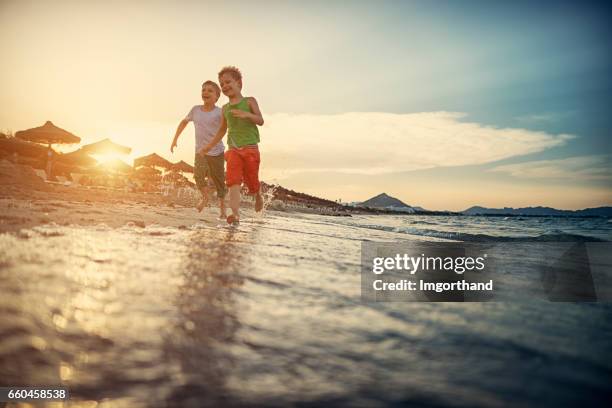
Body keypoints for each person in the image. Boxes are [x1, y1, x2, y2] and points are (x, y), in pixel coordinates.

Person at [201, 66, 264, 225]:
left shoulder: (249, 101)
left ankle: (258, 195)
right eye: (222, 84)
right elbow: (222, 130)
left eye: (228, 82)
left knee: (252, 182)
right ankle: (235, 214)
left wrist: (246, 114)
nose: (224, 86)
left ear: (239, 83)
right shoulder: (225, 108)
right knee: (233, 181)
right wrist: (209, 146)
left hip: (250, 149)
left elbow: (260, 120)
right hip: (233, 149)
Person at [170, 80, 226, 218]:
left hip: (217, 152)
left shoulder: (220, 112)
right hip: (200, 152)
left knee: (219, 181)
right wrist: (175, 139)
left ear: (217, 96)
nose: (205, 92)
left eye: (210, 91)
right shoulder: (195, 110)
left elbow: (225, 129)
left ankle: (223, 210)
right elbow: (183, 122)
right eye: (203, 90)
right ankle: (205, 197)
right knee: (198, 176)